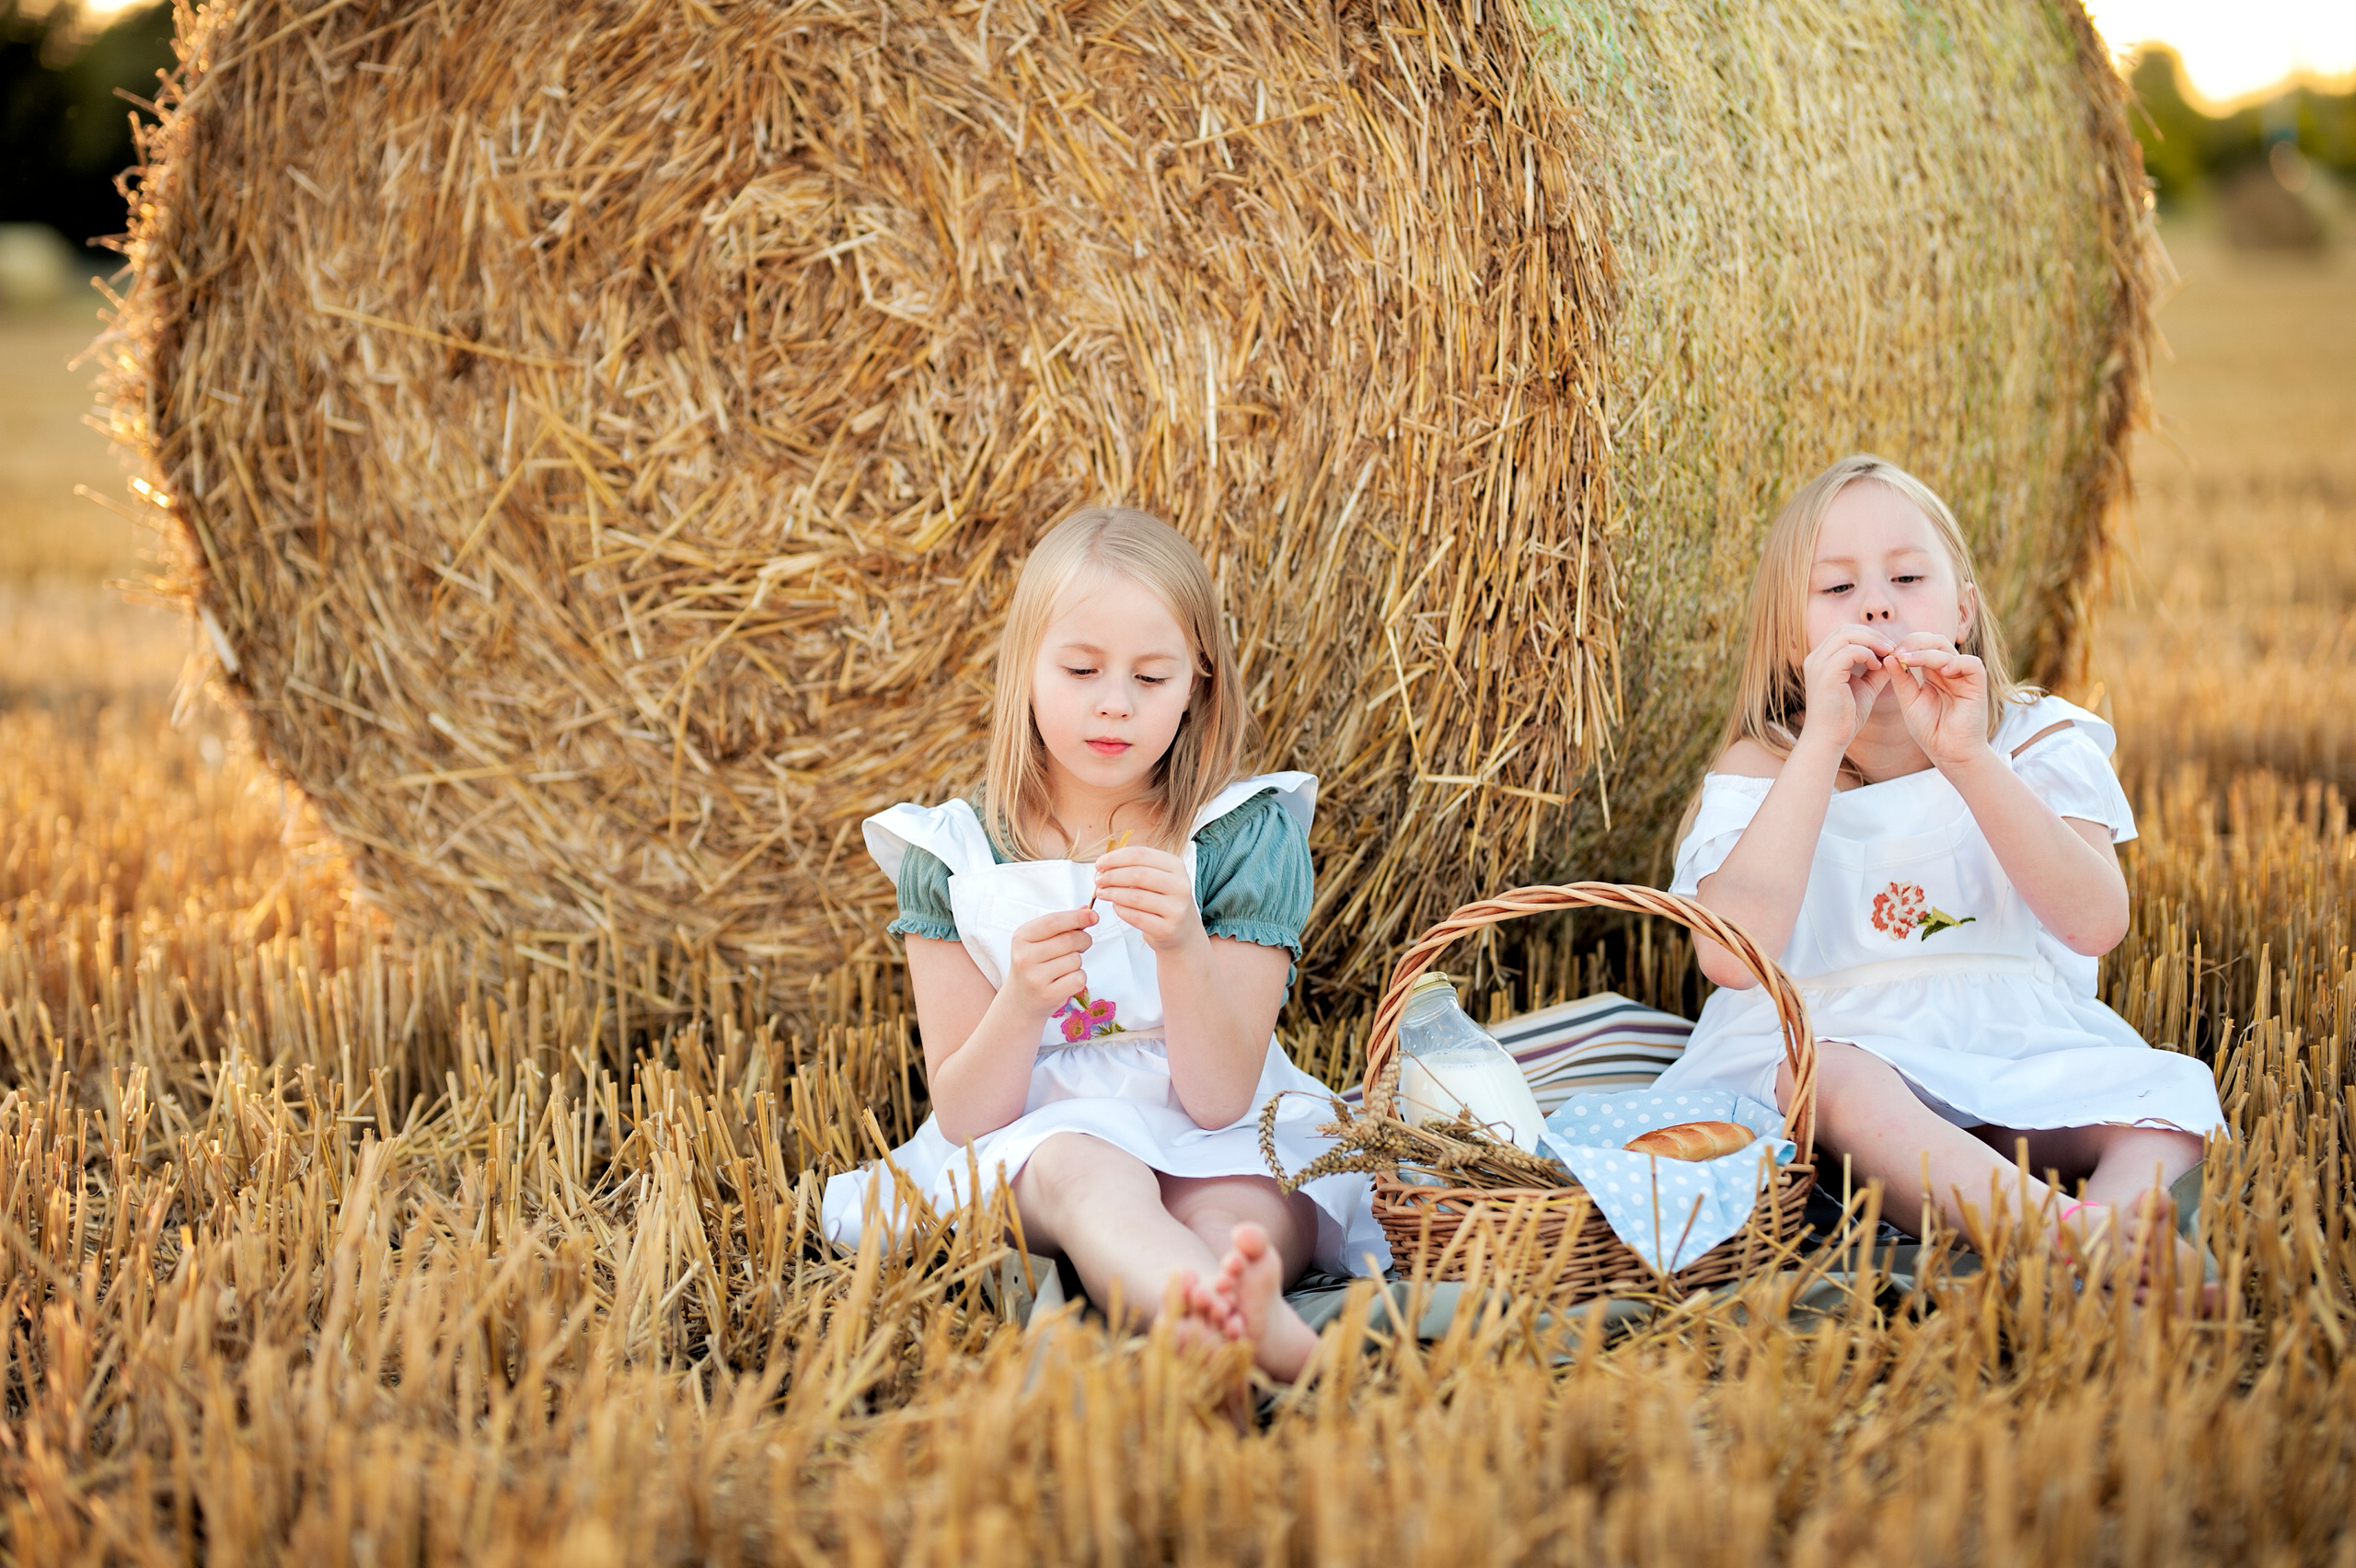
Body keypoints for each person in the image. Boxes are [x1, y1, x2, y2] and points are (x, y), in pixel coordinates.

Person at [822, 505, 1388, 1378]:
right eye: (1082, 668)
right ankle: (1208, 1314)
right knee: (1091, 1179)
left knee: (1237, 1208)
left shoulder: (1240, 834)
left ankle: (1228, 1312)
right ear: (1026, 670)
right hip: (1043, 1131)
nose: (1114, 704)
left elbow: (1218, 1100)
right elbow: (969, 1116)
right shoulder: (954, 855)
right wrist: (1019, 1006)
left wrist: (1185, 951)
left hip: (1214, 1122)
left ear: (1198, 682)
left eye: (1153, 678)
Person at [1652, 455, 2224, 1304]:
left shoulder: (2036, 739)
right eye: (1836, 589)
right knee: (1836, 1080)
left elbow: (2095, 921)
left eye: (1907, 576)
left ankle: (2104, 1252)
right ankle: (2078, 1243)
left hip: (2013, 1040)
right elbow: (1732, 959)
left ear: (1962, 607)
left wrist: (1966, 756)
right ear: (1790, 640)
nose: (1877, 604)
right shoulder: (1766, 765)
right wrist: (1819, 746)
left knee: (2162, 1110)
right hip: (1840, 1061)